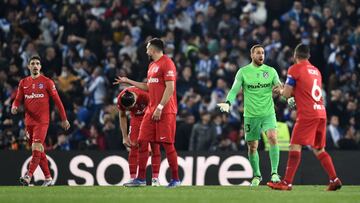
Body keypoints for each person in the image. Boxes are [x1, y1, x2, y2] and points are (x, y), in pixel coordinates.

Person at [267, 44, 342, 191]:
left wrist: (281, 90)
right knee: (319, 149)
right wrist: (291, 92)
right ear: (308, 56)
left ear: (295, 55)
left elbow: (287, 94)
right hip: (321, 112)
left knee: (295, 146)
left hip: (307, 114)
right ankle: (335, 179)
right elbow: (305, 90)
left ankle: (287, 183)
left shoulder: (294, 69)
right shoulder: (316, 71)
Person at [114, 38, 180, 187]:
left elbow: (170, 88)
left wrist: (160, 107)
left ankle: (175, 179)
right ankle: (141, 178)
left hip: (165, 111)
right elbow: (147, 87)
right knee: (141, 141)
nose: (146, 50)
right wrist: (129, 81)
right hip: (151, 110)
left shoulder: (167, 63)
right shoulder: (151, 66)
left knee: (167, 144)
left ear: (154, 49)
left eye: (148, 48)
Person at [217, 44, 282, 186]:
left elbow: (279, 87)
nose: (261, 55)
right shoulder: (243, 72)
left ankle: (275, 173)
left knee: (272, 138)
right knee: (252, 146)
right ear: (252, 55)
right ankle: (257, 176)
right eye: (258, 53)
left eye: (263, 53)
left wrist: (283, 93)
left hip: (268, 113)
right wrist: (228, 102)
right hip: (251, 115)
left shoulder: (271, 71)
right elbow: (234, 89)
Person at [11, 55, 70, 186]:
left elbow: (58, 102)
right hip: (29, 122)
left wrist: (64, 119)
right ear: (28, 66)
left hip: (42, 122)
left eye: (38, 63)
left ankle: (28, 176)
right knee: (39, 150)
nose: (35, 65)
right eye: (33, 63)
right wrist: (14, 106)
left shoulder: (47, 82)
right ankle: (48, 178)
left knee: (36, 147)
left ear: (40, 66)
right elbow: (17, 99)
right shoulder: (23, 83)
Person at [117, 86, 161, 186]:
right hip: (136, 118)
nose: (130, 109)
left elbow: (157, 108)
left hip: (151, 115)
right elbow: (122, 115)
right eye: (128, 109)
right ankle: (133, 178)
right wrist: (124, 136)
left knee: (155, 145)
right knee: (133, 145)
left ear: (135, 99)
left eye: (131, 107)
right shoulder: (120, 99)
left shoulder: (145, 95)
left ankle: (155, 179)